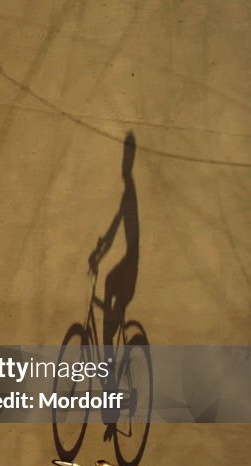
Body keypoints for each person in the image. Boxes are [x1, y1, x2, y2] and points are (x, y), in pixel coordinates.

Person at [88, 132, 140, 429]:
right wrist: (100, 249)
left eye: (126, 158)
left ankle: (113, 393)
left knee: (108, 324)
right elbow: (113, 227)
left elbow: (116, 226)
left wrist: (101, 251)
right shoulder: (128, 190)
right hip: (129, 263)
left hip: (130, 265)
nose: (123, 163)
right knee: (107, 296)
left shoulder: (129, 190)